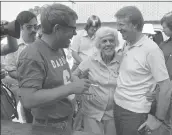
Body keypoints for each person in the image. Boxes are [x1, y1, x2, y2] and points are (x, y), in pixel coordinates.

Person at [17, 3, 91, 135]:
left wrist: (75, 79)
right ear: (57, 29)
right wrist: (72, 88)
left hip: (65, 123)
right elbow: (28, 99)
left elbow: (59, 78)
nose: (75, 33)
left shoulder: (59, 48)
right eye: (72, 29)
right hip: (48, 128)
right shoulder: (32, 55)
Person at [113, 6, 172, 135]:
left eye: (121, 24)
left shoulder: (151, 50)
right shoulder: (127, 44)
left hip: (135, 113)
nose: (118, 28)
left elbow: (166, 87)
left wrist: (158, 119)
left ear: (134, 25)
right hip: (118, 105)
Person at [72, 27, 120, 135]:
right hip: (92, 112)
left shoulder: (121, 61)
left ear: (115, 43)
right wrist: (81, 87)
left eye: (111, 40)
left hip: (113, 113)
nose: (108, 44)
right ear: (99, 44)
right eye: (104, 41)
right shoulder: (91, 60)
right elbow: (74, 74)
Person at [3, 11, 38, 123]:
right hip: (25, 94)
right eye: (29, 27)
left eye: (35, 26)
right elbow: (11, 70)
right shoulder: (14, 45)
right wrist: (27, 79)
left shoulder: (42, 44)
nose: (34, 30)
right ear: (20, 28)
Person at [159, 10, 172, 135]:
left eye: (164, 27)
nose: (163, 30)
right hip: (162, 93)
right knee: (163, 124)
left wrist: (169, 85)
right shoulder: (163, 45)